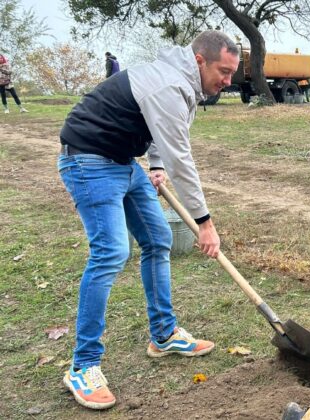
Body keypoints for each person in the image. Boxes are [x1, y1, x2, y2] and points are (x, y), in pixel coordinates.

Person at [58, 30, 239, 410]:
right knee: (111, 252)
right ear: (200, 60)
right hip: (88, 159)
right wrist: (204, 222)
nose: (227, 80)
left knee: (158, 240)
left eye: (232, 73)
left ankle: (164, 334)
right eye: (223, 71)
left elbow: (161, 134)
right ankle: (83, 365)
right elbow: (181, 158)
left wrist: (154, 166)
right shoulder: (171, 85)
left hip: (124, 162)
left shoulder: (183, 84)